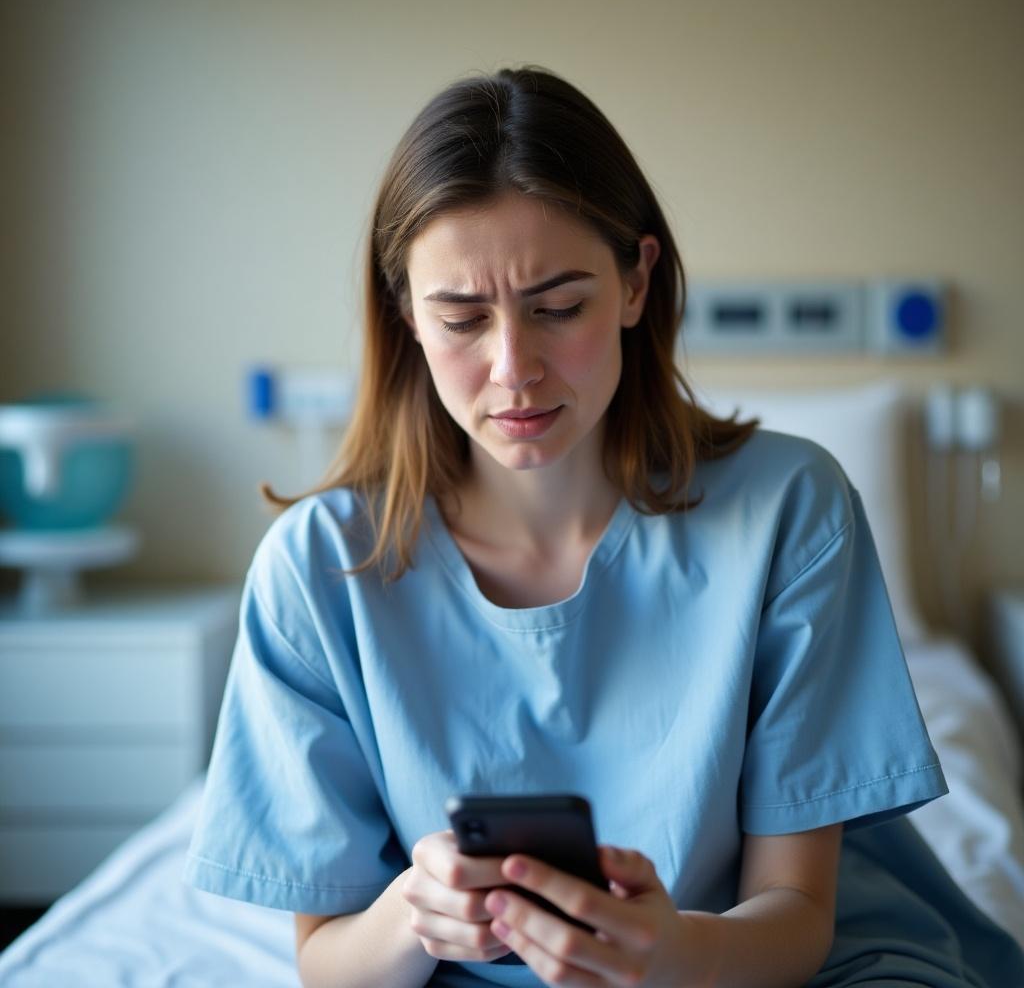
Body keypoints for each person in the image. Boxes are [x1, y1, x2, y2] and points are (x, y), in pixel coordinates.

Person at [182, 65, 1024, 988]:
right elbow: (329, 966)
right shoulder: (318, 570)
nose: (514, 369)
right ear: (406, 318)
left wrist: (674, 954)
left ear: (635, 283)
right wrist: (412, 916)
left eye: (558, 308)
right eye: (461, 318)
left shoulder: (791, 508)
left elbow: (797, 921)